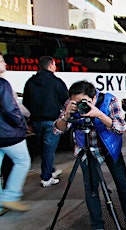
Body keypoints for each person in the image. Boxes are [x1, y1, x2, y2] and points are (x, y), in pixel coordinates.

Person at [53, 81, 126, 230]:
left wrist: (98, 114)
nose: (79, 105)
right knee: (91, 190)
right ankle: (97, 226)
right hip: (86, 148)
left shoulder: (109, 100)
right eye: (76, 102)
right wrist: (66, 115)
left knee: (122, 184)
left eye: (83, 102)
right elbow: (58, 130)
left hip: (110, 148)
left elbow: (121, 127)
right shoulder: (70, 103)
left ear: (93, 98)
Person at [23, 56, 68, 187]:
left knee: (43, 148)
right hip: (52, 121)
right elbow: (65, 100)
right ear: (50, 66)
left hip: (36, 121)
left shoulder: (30, 82)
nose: (55, 67)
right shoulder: (56, 82)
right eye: (54, 65)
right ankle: (46, 177)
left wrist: (29, 121)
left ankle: (50, 170)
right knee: (49, 149)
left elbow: (26, 103)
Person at [0, 53, 32, 213]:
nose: (4, 63)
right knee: (22, 161)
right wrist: (21, 125)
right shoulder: (2, 84)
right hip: (8, 134)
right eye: (1, 61)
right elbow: (10, 109)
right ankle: (10, 197)